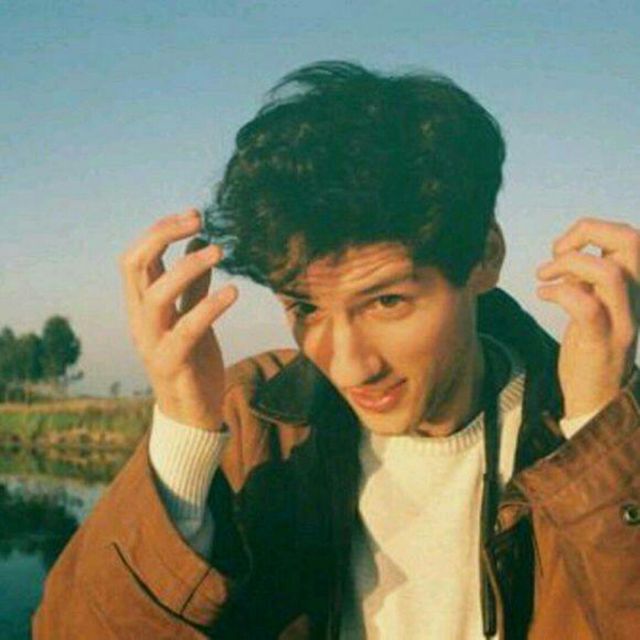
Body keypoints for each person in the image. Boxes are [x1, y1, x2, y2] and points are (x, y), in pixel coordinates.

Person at [34, 61, 639, 639]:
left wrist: (599, 434)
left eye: (387, 302)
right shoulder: (253, 421)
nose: (349, 366)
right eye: (305, 308)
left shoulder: (586, 427)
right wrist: (181, 429)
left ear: (483, 257)